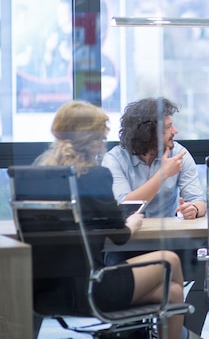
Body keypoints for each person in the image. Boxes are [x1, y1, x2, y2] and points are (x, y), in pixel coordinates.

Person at [35, 101, 187, 339]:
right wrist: (133, 222)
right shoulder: (94, 176)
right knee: (169, 260)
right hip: (92, 287)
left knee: (173, 292)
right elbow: (120, 236)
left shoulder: (39, 174)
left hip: (44, 293)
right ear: (93, 138)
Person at [101, 97, 209, 338]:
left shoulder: (180, 153)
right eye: (169, 127)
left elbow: (199, 200)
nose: (176, 131)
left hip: (170, 242)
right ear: (148, 133)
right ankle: (133, 330)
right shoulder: (114, 160)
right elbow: (125, 206)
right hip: (129, 245)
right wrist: (161, 176)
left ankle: (186, 329)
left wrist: (194, 208)